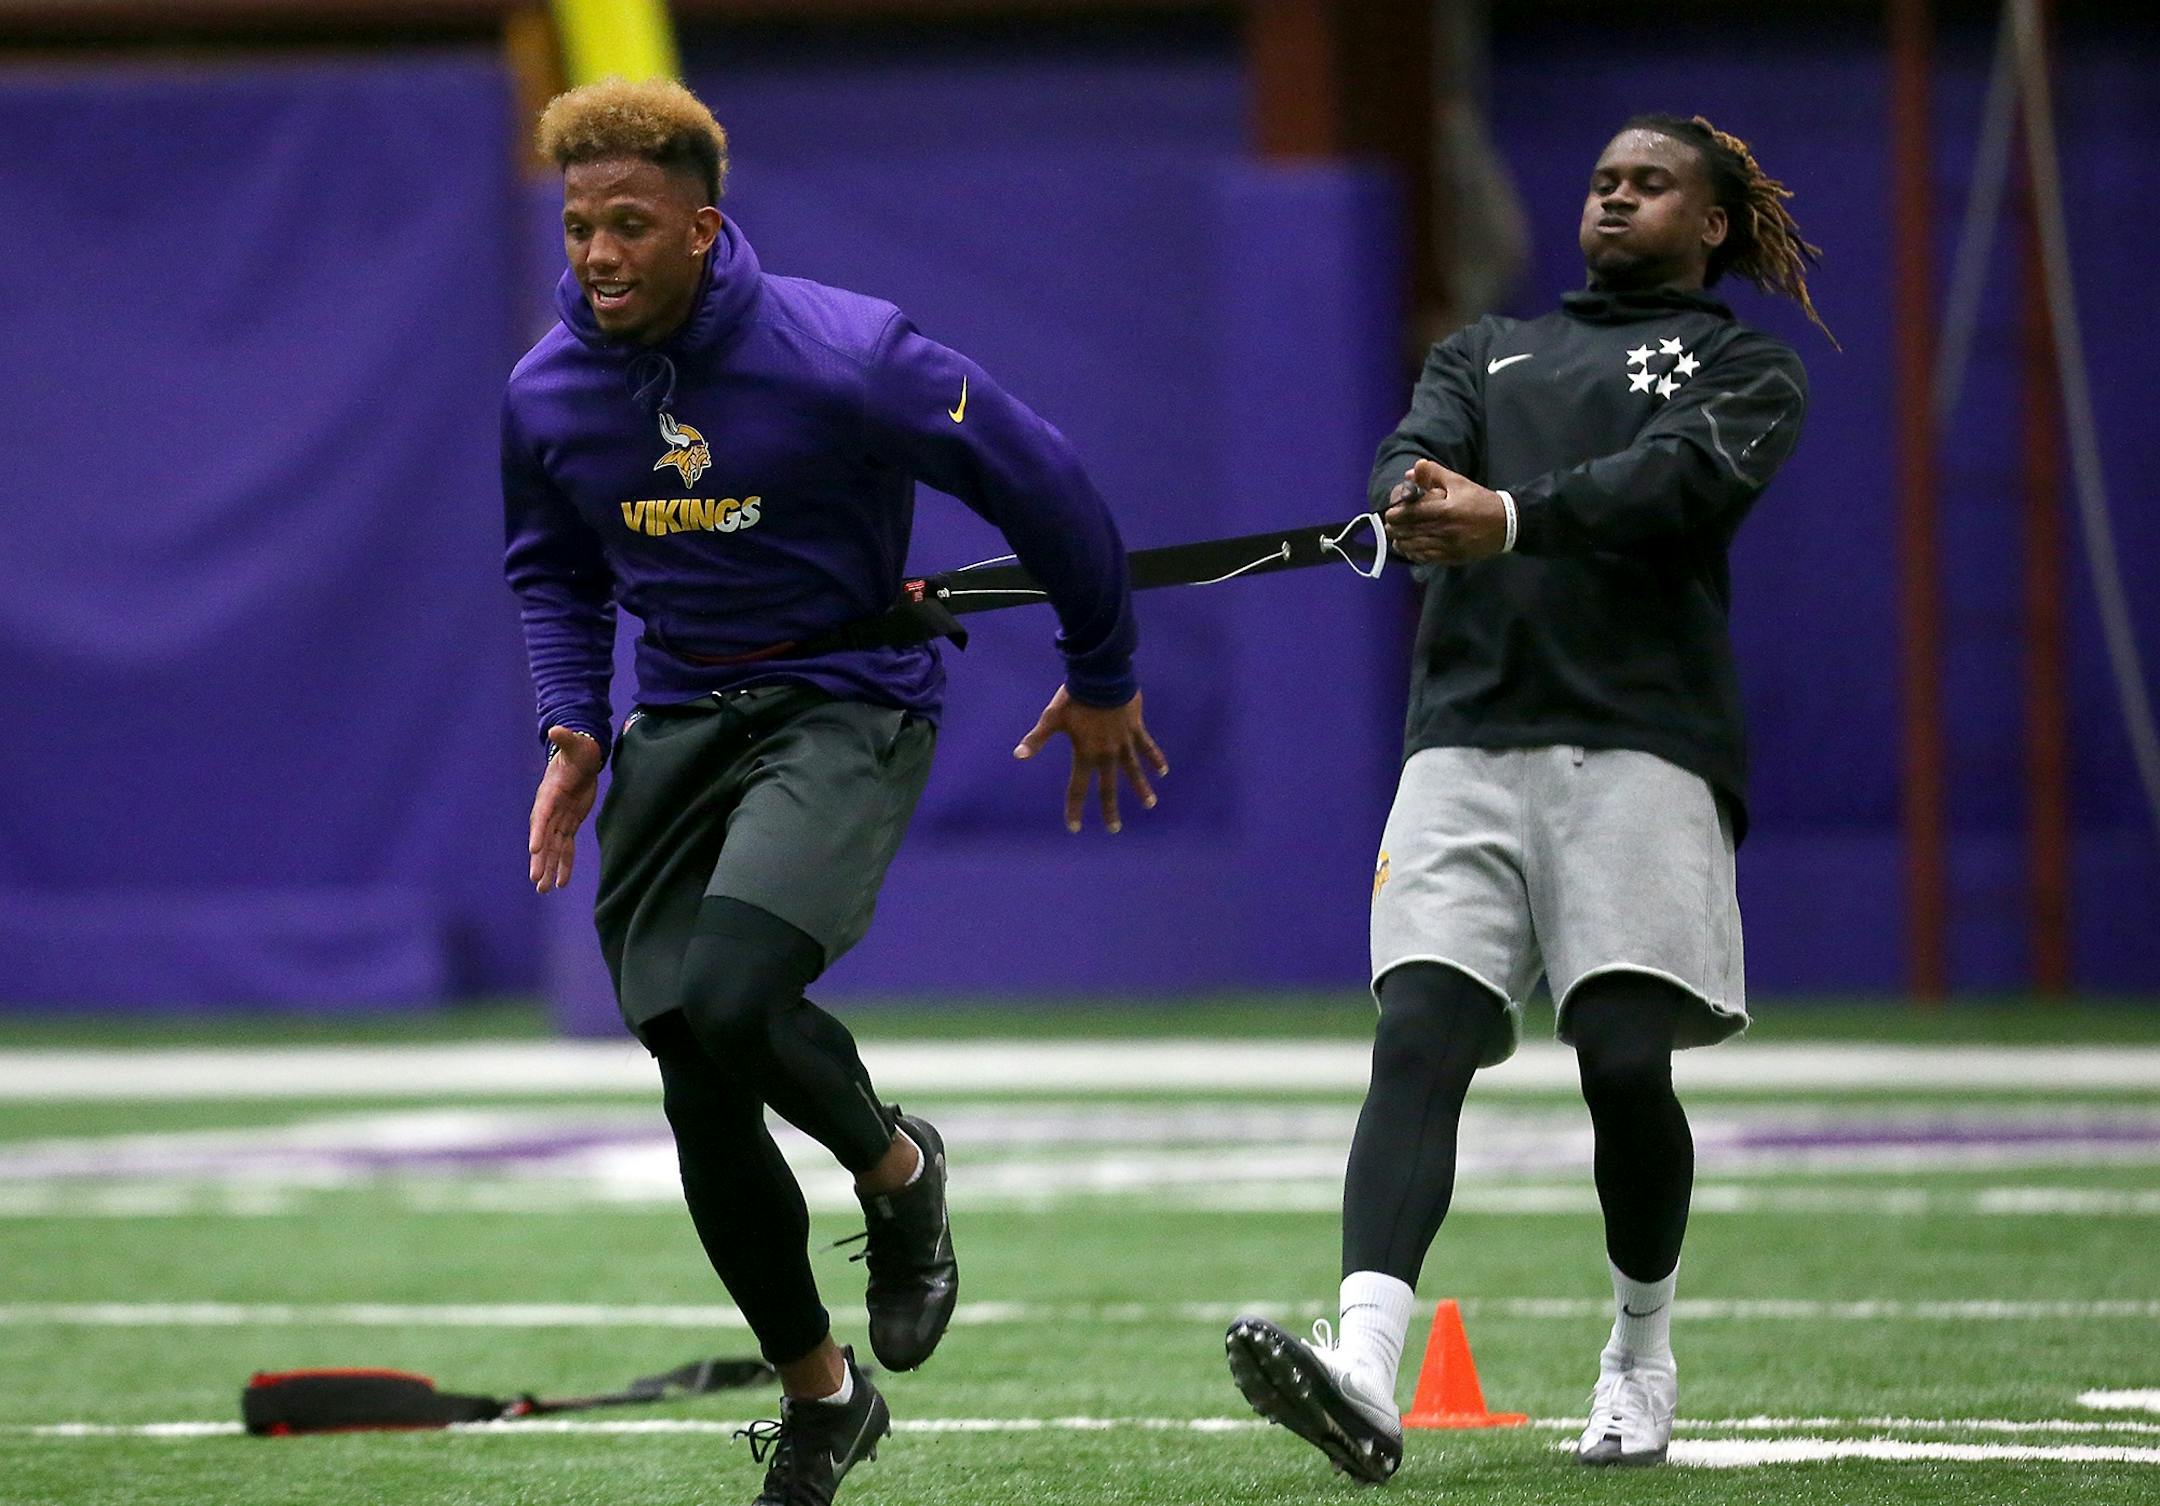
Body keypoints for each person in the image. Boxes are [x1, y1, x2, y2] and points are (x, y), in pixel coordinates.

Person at [502, 79, 1166, 1506]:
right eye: (578, 226)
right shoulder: (547, 388)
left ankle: (898, 1167)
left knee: (735, 998)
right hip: (677, 719)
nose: (599, 254)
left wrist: (1101, 668)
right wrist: (573, 727)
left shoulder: (847, 354)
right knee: (694, 1073)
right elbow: (551, 567)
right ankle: (823, 1397)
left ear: (702, 228)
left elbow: (1040, 477)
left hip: (843, 702)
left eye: (630, 225)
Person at [1226, 113, 1829, 1479]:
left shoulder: (1745, 366)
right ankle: (1365, 1368)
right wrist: (1413, 489)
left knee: (1622, 1057)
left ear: (1715, 223)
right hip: (1463, 740)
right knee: (1420, 1034)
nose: (1615, 198)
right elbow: (1408, 452)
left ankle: (1639, 1349)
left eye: (1651, 184)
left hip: (1640, 743)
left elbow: (1670, 487)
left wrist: (1503, 517)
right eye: (1604, 178)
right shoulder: (1484, 350)